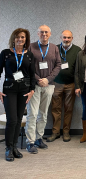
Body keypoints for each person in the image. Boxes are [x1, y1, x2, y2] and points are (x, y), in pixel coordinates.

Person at [0, 28, 35, 161]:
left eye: (22, 37)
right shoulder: (5, 53)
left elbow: (32, 74)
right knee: (12, 120)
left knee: (19, 119)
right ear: (13, 38)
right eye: (17, 37)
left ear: (26, 39)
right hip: (9, 88)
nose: (20, 39)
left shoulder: (29, 55)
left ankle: (14, 147)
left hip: (24, 90)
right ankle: (8, 148)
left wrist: (32, 90)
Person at [25, 25, 61, 154]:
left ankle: (39, 138)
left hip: (49, 85)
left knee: (43, 114)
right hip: (34, 86)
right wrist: (38, 79)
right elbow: (27, 65)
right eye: (41, 32)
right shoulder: (30, 47)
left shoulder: (54, 48)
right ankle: (30, 141)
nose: (44, 34)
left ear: (50, 34)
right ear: (38, 33)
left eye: (46, 32)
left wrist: (48, 79)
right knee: (32, 114)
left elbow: (58, 65)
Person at [47, 30, 81, 142]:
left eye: (69, 38)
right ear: (60, 37)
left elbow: (78, 69)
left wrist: (77, 85)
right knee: (55, 109)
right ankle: (55, 132)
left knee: (68, 109)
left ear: (72, 38)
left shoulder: (77, 50)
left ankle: (66, 132)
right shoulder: (54, 48)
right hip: (56, 83)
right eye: (64, 37)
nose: (66, 40)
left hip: (71, 84)